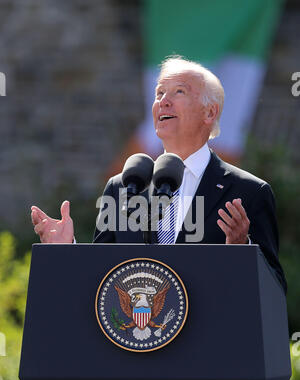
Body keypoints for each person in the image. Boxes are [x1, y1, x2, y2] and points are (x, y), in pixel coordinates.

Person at [31, 56, 287, 294]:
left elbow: (274, 289)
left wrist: (243, 251)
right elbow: (102, 283)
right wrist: (66, 250)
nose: (164, 100)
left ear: (210, 113)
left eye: (179, 92)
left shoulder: (249, 192)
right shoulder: (123, 188)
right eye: (159, 93)